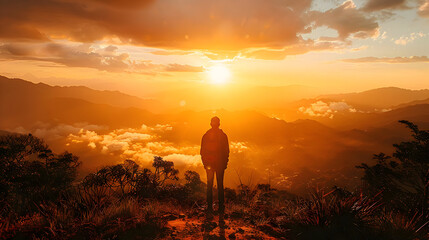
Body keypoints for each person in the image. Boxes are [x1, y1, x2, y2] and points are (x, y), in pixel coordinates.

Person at [200, 116, 229, 214]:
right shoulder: (223, 135)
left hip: (210, 165)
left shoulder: (206, 135)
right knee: (220, 186)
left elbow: (202, 151)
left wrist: (205, 163)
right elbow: (226, 151)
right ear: (219, 124)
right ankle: (220, 207)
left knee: (210, 186)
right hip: (218, 165)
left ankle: (209, 207)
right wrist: (225, 163)